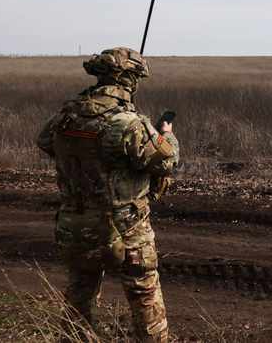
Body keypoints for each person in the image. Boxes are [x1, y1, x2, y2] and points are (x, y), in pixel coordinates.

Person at [36, 47, 178, 342]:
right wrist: (166, 133)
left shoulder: (67, 115)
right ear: (128, 80)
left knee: (80, 289)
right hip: (126, 225)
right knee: (143, 291)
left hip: (75, 221)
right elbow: (167, 160)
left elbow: (46, 141)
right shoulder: (128, 123)